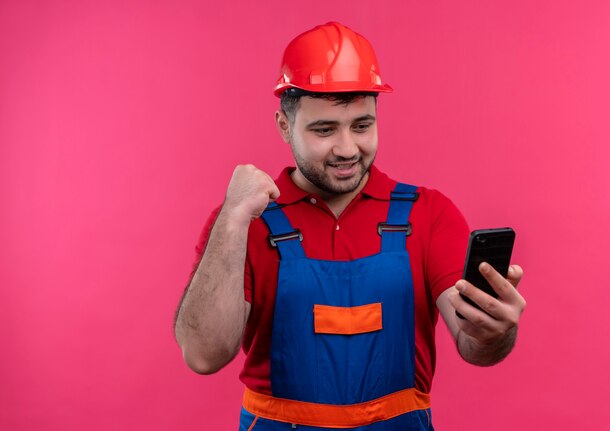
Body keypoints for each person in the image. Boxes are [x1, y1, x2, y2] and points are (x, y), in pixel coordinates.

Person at [174, 22, 526, 430]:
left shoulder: (429, 214)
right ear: (284, 126)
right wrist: (232, 219)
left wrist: (494, 331)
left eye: (362, 125)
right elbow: (203, 356)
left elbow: (474, 346)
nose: (347, 148)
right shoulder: (244, 221)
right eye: (324, 129)